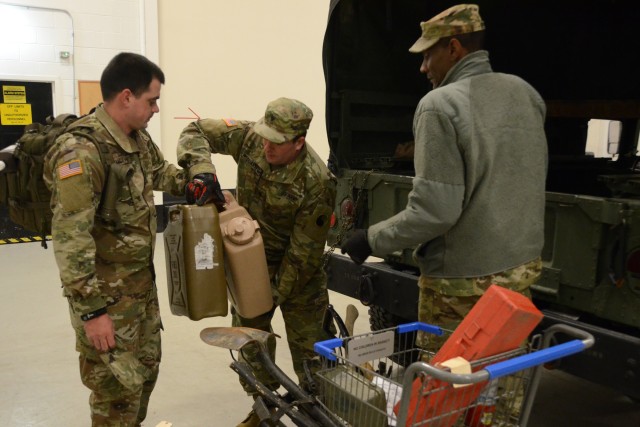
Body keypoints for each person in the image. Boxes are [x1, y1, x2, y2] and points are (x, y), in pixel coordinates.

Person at [341, 4, 548, 352]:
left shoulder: (440, 105)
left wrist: (371, 239)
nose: (422, 67)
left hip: (462, 286)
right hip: (520, 271)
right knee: (502, 379)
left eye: (427, 55)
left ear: (454, 48)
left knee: (449, 392)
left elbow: (435, 211)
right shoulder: (525, 93)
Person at [43, 52, 187, 426]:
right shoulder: (80, 151)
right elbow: (70, 240)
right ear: (126, 97)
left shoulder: (136, 139)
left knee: (141, 385)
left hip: (140, 295)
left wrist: (196, 183)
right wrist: (92, 313)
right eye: (151, 100)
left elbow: (160, 172)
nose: (156, 108)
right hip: (105, 303)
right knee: (114, 399)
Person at [177, 97, 337, 427]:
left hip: (299, 276)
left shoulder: (316, 182)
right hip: (250, 263)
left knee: (314, 358)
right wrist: (203, 171)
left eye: (277, 142)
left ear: (299, 142)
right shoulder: (250, 138)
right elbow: (195, 130)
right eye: (265, 135)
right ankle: (266, 409)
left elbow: (302, 255)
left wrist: (265, 297)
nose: (267, 146)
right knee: (251, 347)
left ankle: (317, 414)